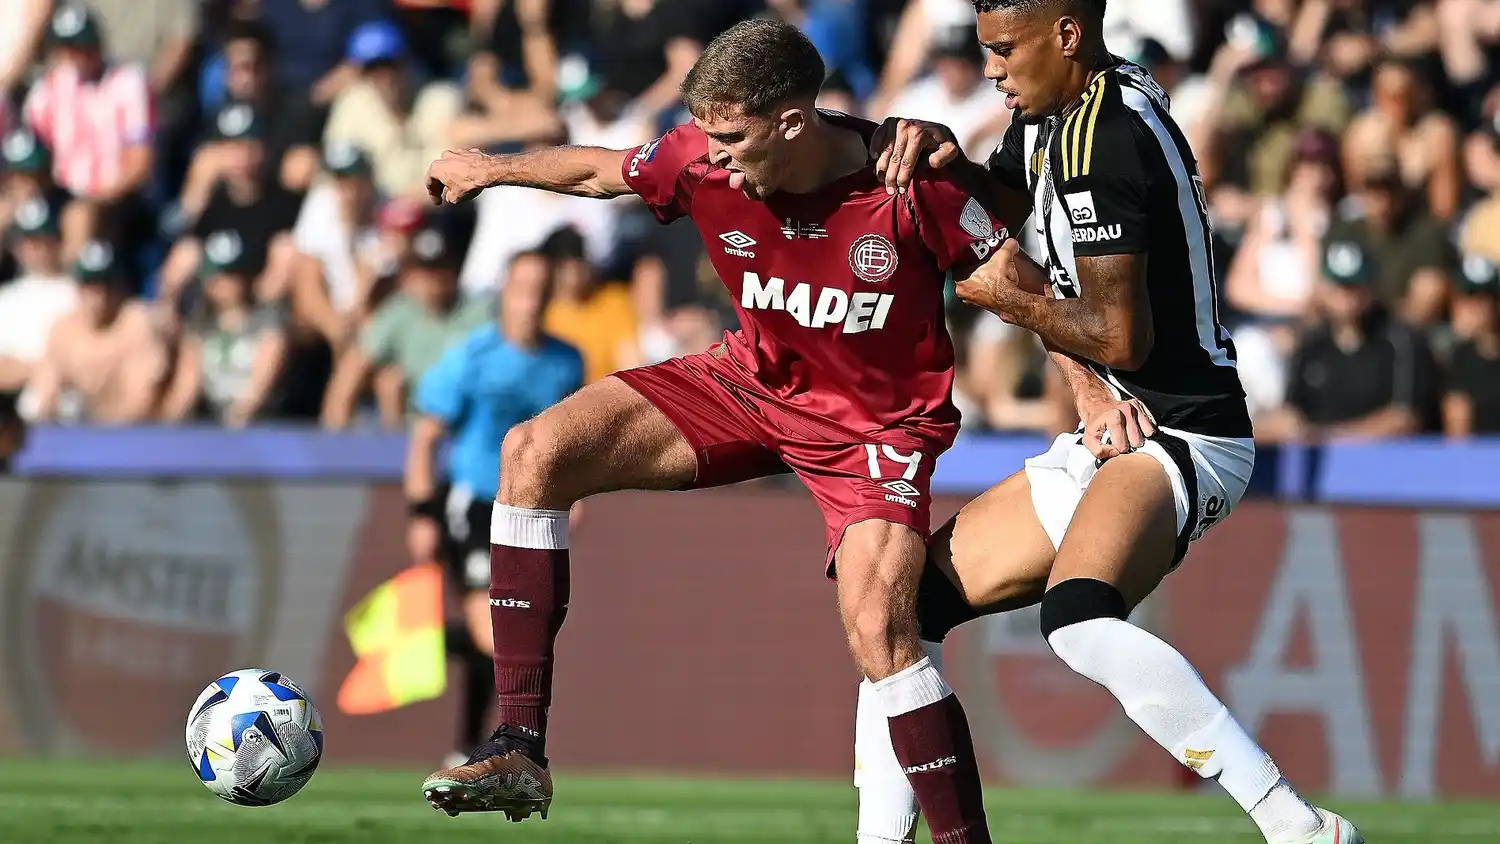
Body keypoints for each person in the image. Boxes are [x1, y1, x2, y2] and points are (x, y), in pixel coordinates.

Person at [421, 18, 1011, 842]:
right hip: (748, 385)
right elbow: (600, 172)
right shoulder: (703, 157)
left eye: (733, 137)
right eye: (709, 134)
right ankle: (520, 743)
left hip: (874, 432)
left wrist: (1094, 386)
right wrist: (492, 169)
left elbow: (1021, 283)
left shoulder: (909, 180)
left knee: (881, 630)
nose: (715, 155)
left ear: (794, 123)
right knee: (533, 452)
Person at [863, 2, 1362, 843]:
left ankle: (1297, 827)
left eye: (1004, 50)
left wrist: (1007, 297)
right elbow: (1011, 200)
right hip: (1116, 432)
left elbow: (1120, 336)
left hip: (1181, 433)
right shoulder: (1065, 110)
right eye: (984, 50)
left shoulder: (1105, 141)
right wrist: (949, 164)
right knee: (899, 616)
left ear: (1067, 35)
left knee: (1080, 622)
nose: (992, 70)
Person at [407, 249, 583, 770]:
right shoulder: (474, 355)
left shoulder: (564, 361)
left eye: (540, 289)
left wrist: (575, 496)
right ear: (504, 293)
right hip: (472, 502)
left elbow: (574, 442)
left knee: (515, 627)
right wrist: (421, 512)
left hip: (530, 509)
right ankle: (474, 744)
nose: (531, 300)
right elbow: (425, 438)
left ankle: (431, 655)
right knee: (497, 627)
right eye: (522, 287)